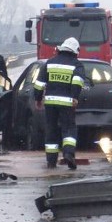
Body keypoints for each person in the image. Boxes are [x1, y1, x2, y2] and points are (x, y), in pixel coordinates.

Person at [33, 37, 86, 170]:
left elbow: (39, 84)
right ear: (75, 51)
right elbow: (77, 81)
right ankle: (68, 154)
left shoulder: (50, 63)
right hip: (67, 102)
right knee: (69, 128)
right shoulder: (77, 65)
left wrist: (38, 99)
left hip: (50, 102)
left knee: (51, 130)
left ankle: (51, 162)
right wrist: (75, 97)